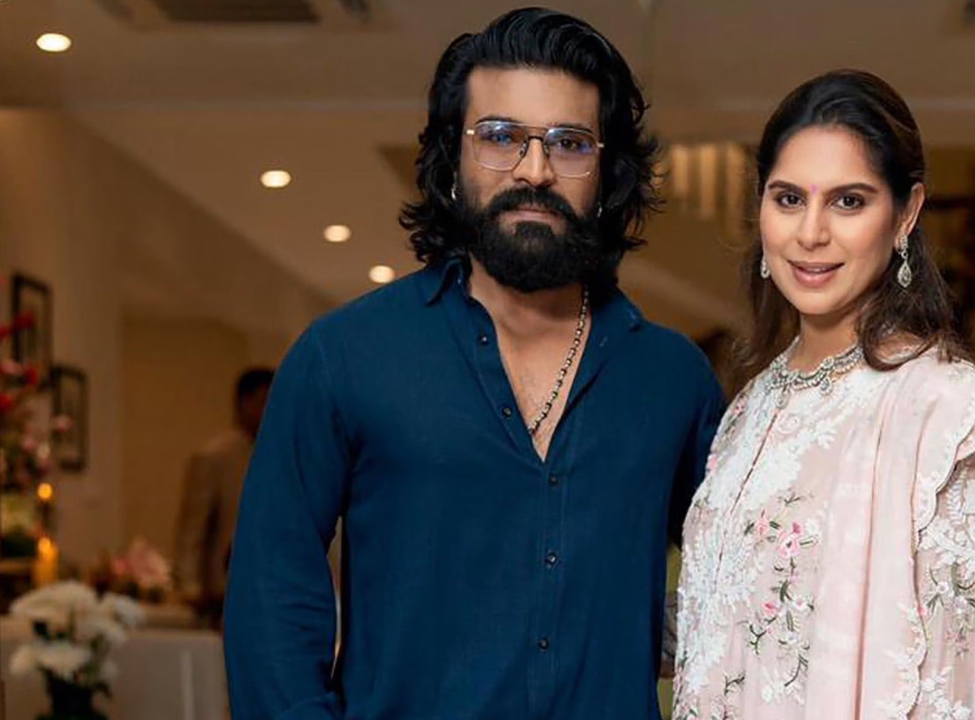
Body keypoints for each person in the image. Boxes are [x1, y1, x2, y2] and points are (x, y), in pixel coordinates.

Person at [224, 8, 724, 720]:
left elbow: (752, 578)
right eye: (499, 137)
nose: (535, 170)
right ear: (452, 161)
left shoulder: (673, 379)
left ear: (607, 174)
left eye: (570, 143)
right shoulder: (344, 356)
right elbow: (272, 594)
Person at [673, 70, 975, 720]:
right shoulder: (750, 407)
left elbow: (952, 693)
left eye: (848, 201)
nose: (811, 232)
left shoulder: (946, 418)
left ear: (905, 214)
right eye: (788, 198)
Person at [172, 367, 274, 629]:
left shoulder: (275, 454)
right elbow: (192, 528)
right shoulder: (215, 456)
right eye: (264, 401)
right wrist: (189, 586)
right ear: (244, 402)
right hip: (222, 590)